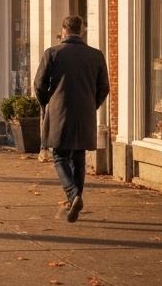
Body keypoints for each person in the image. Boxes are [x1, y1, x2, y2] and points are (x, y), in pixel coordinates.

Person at [34, 16, 110, 223]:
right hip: (85, 111)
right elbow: (104, 87)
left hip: (60, 110)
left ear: (63, 31)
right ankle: (75, 198)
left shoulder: (53, 53)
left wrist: (48, 103)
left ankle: (72, 193)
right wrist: (91, 104)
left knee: (59, 155)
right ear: (81, 30)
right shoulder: (95, 55)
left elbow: (39, 84)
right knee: (78, 156)